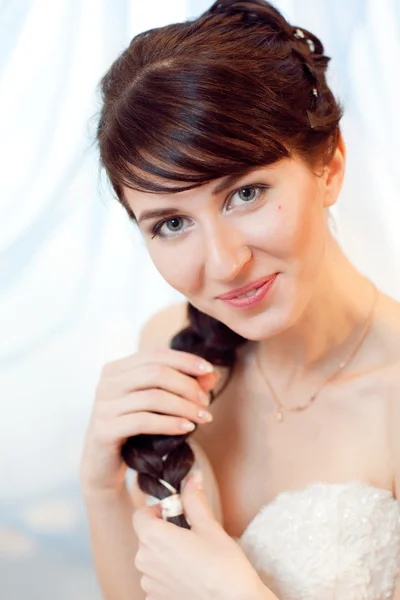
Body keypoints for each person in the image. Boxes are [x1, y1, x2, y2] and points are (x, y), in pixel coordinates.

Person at [80, 0, 400, 598]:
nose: (225, 264)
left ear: (329, 166)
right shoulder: (170, 352)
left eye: (246, 193)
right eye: (171, 224)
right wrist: (100, 489)